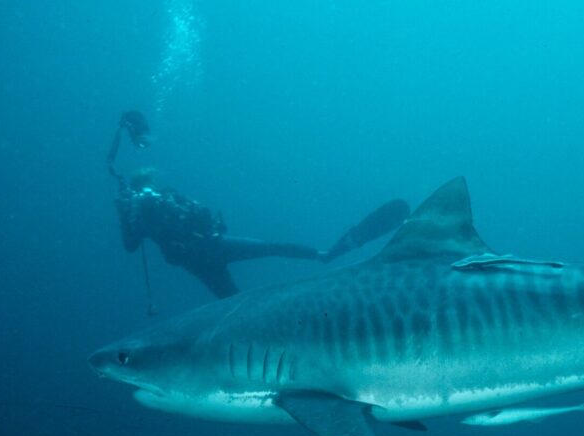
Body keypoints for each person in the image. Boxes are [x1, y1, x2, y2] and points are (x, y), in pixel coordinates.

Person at [106, 111, 409, 299]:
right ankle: (327, 254)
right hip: (214, 245)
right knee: (269, 250)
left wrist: (125, 214)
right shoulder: (166, 196)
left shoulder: (141, 207)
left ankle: (322, 260)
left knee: (235, 305)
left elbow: (131, 245)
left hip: (198, 257)